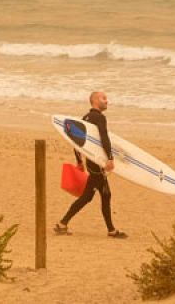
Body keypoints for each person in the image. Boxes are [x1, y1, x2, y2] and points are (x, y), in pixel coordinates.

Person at [54, 90, 126, 238]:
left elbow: (76, 141)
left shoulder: (85, 118)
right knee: (88, 196)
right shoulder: (99, 118)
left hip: (92, 161)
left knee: (104, 195)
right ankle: (62, 223)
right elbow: (104, 138)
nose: (107, 101)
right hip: (98, 162)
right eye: (103, 98)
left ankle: (110, 229)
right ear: (95, 101)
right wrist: (110, 158)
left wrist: (79, 160)